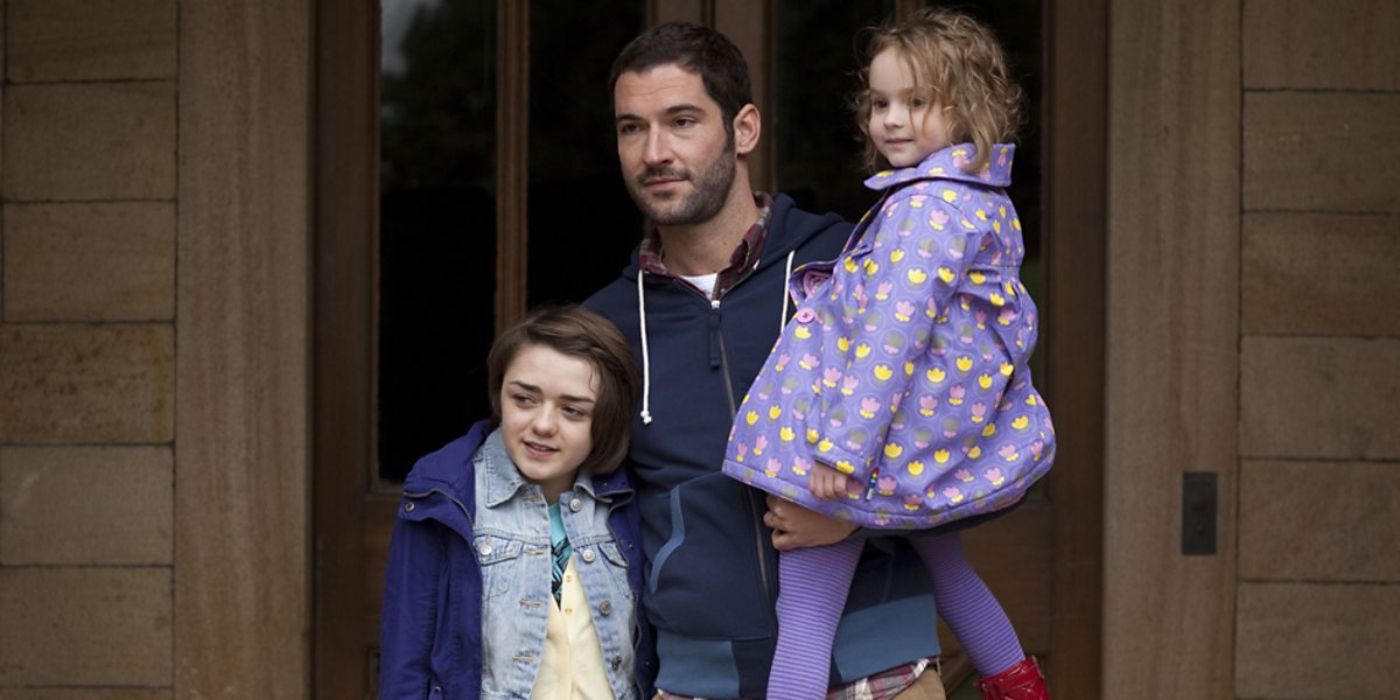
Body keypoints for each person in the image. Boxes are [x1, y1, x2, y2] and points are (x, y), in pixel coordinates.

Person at [586, 22, 947, 700]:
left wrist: (863, 511)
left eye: (682, 120)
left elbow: (975, 443)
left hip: (882, 675)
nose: (655, 151)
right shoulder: (605, 325)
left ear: (743, 129)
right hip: (700, 683)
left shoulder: (854, 266)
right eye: (632, 128)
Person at [721, 9, 1053, 700]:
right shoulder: (981, 199)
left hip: (859, 450)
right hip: (912, 442)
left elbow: (888, 339)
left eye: (916, 102)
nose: (891, 120)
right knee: (951, 572)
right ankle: (1021, 687)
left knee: (806, 613)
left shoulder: (925, 209)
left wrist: (840, 453)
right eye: (879, 103)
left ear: (968, 109)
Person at [379, 305, 656, 700]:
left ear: (608, 418)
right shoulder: (443, 499)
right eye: (525, 399)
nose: (543, 424)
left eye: (572, 410)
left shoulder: (626, 499)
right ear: (499, 395)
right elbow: (405, 662)